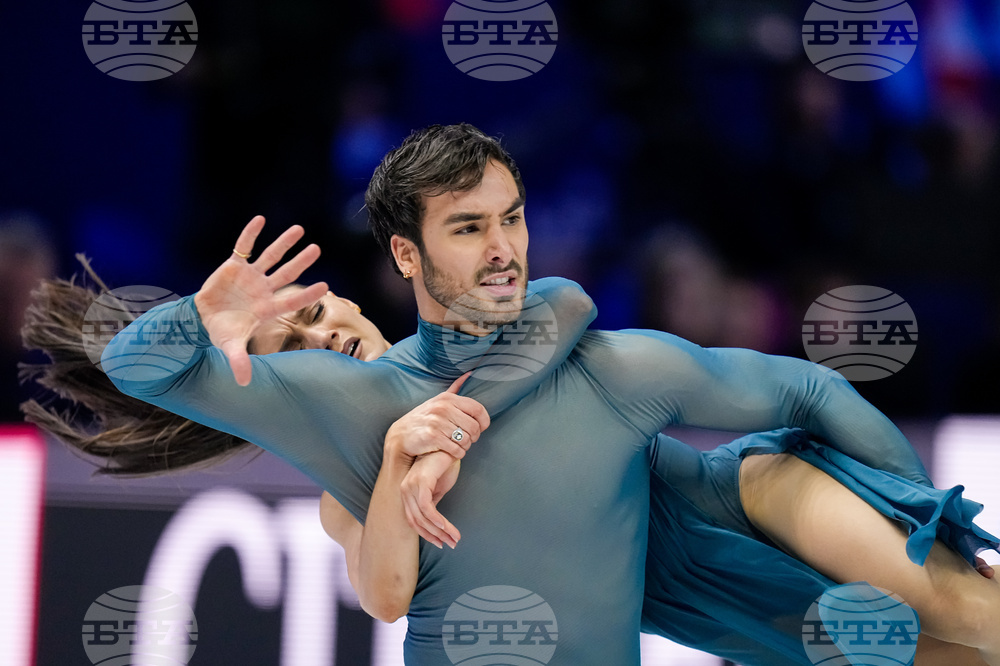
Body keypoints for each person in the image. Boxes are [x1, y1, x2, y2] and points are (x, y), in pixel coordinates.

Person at [43, 123, 1000, 663]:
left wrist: (914, 510)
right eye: (290, 344)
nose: (319, 334)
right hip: (689, 592)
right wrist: (395, 464)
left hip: (735, 504)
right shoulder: (349, 442)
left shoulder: (573, 340)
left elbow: (567, 301)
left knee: (972, 619)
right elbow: (385, 595)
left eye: (511, 219)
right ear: (407, 255)